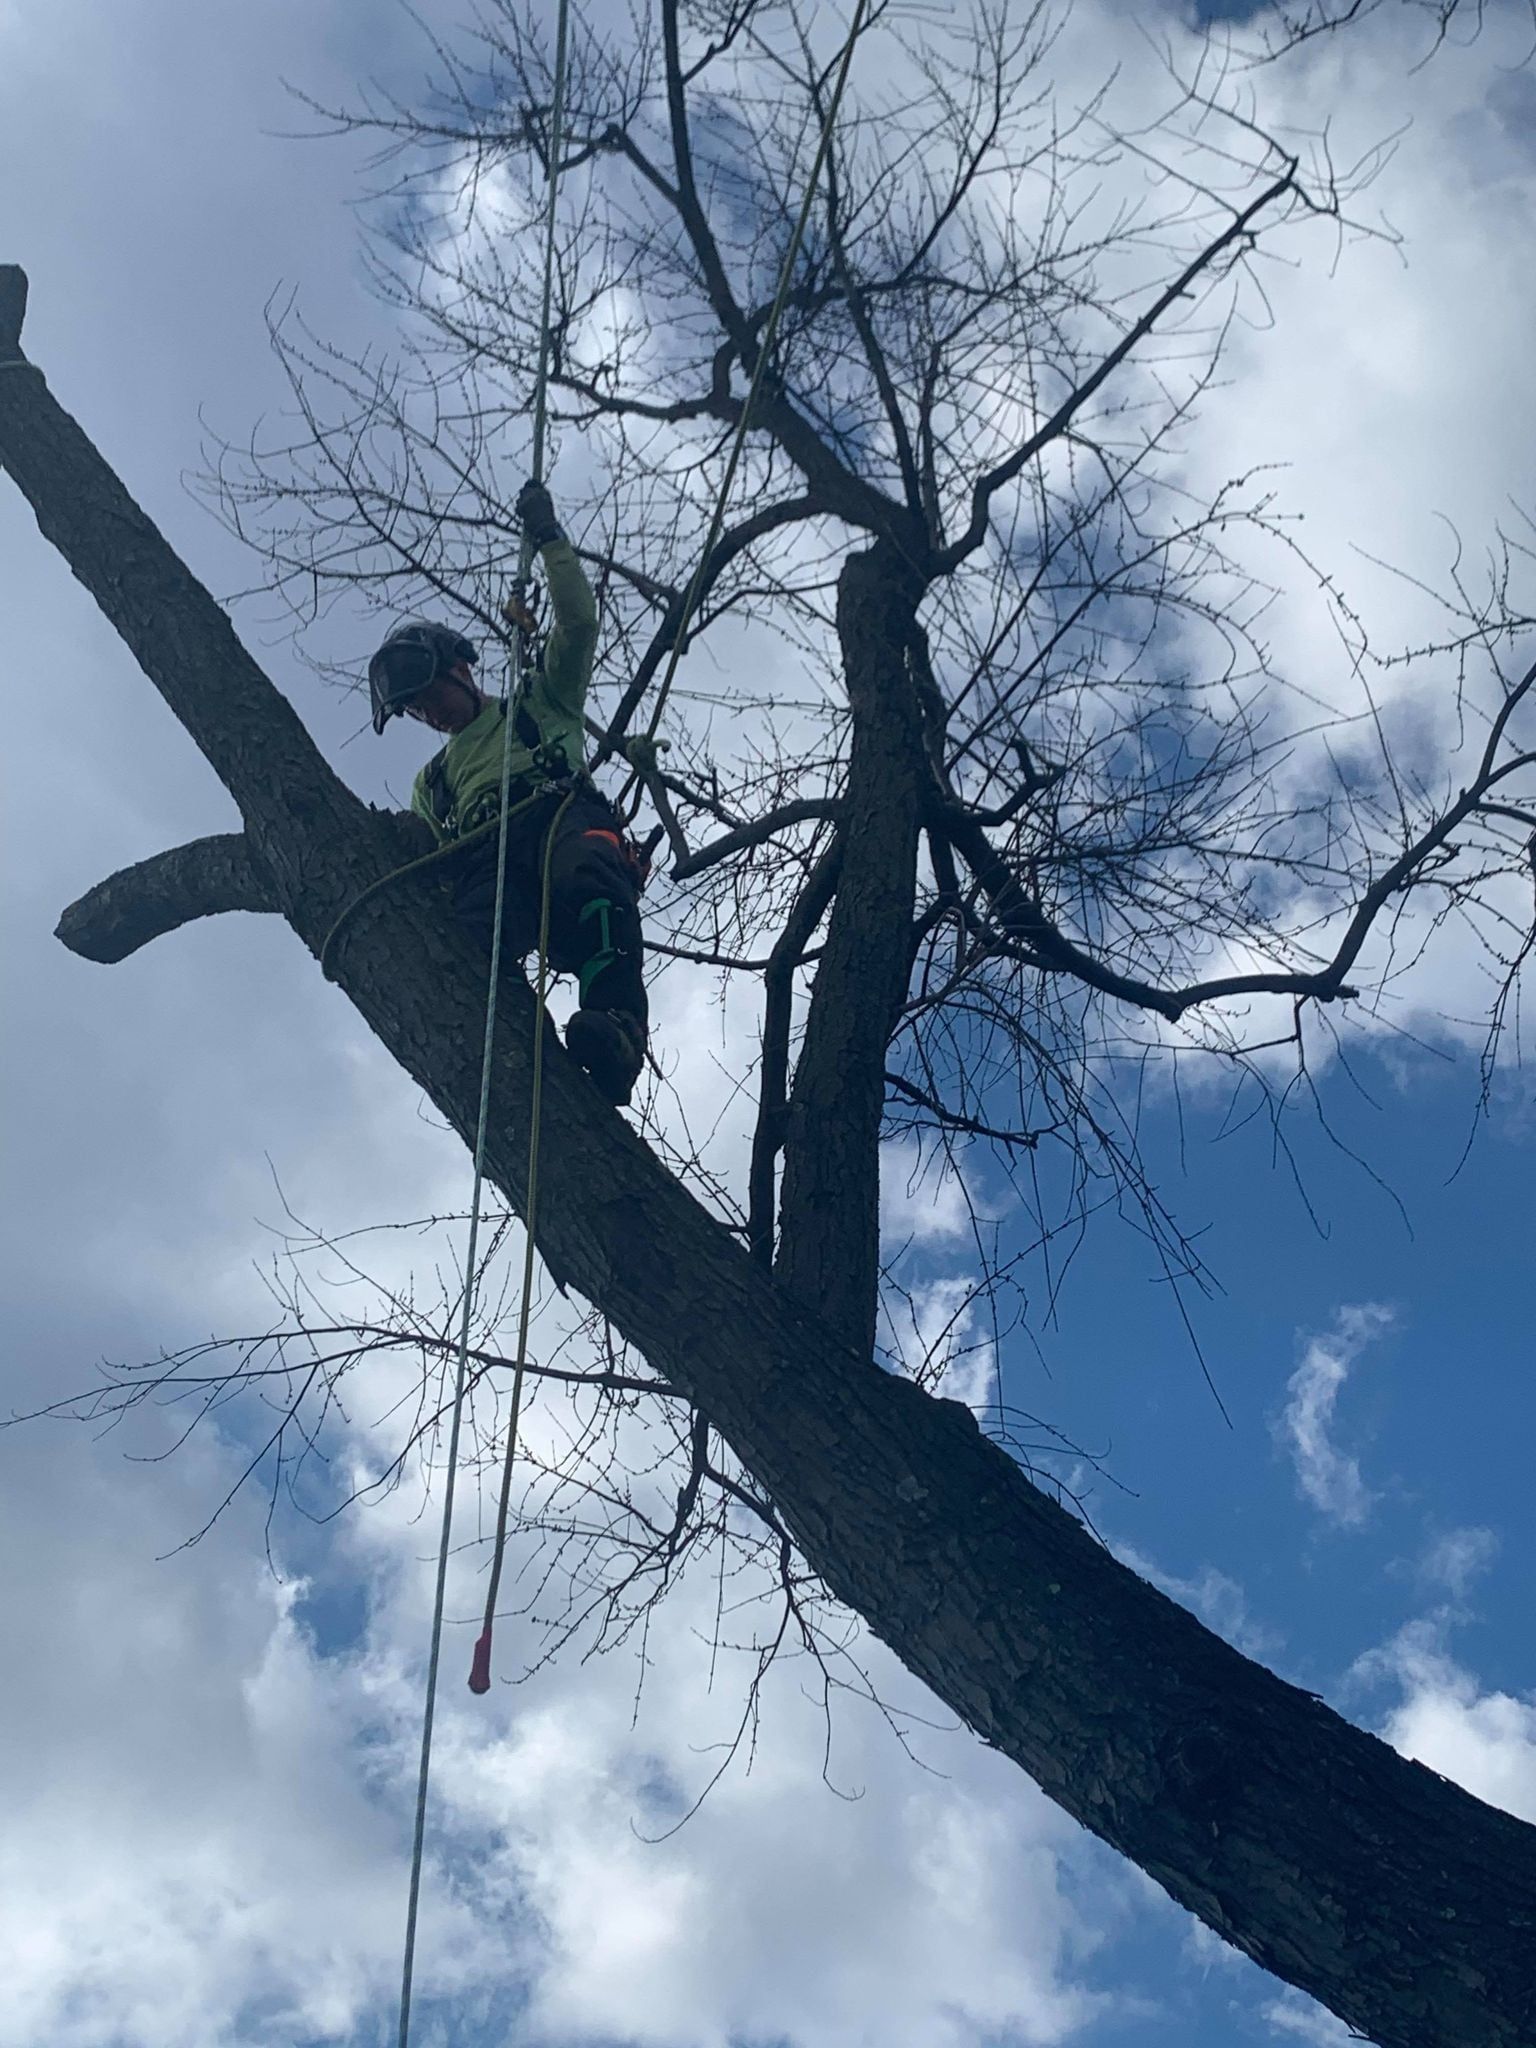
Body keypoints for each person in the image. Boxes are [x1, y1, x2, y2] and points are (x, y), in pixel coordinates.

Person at [368, 479, 648, 1107]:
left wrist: (548, 538)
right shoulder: (432, 784)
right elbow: (435, 860)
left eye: (429, 696)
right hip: (487, 858)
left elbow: (577, 623)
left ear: (460, 670)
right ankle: (515, 1057)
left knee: (590, 881)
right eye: (413, 710)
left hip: (558, 819)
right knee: (471, 940)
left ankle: (617, 1029)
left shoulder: (538, 701)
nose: (428, 715)